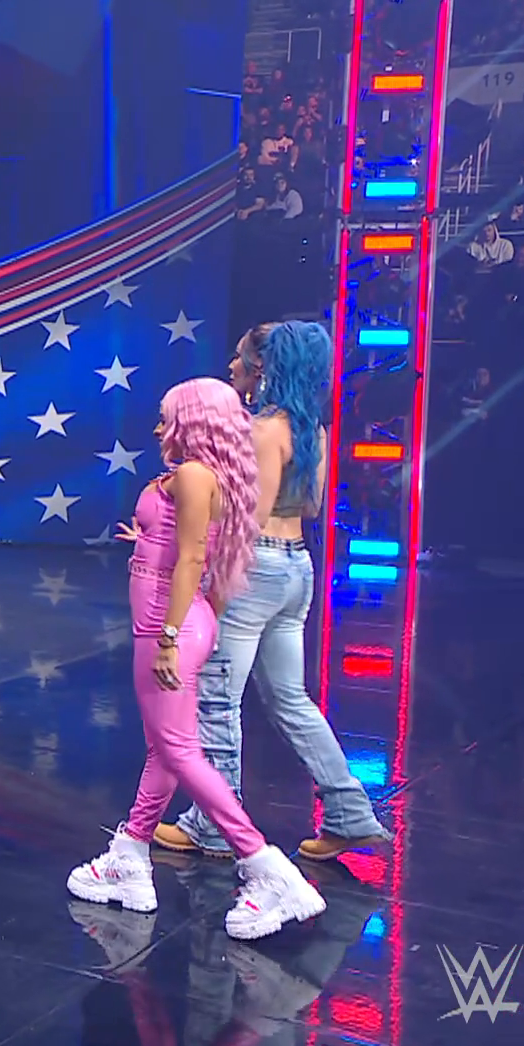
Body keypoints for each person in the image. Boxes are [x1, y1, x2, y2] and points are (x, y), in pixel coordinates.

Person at [67, 377, 324, 941]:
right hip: (184, 624)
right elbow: (203, 554)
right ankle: (131, 852)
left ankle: (266, 868)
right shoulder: (212, 476)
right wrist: (148, 540)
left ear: (194, 420)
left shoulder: (192, 474)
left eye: (168, 416)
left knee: (180, 752)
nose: (159, 426)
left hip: (167, 628)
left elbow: (191, 561)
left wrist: (169, 637)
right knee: (165, 749)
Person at [156, 322, 394, 862]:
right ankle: (350, 814)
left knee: (218, 698)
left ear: (262, 368)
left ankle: (213, 823)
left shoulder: (264, 430)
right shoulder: (314, 430)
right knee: (291, 699)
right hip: (296, 567)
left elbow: (250, 516)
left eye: (239, 357)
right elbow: (310, 506)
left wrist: (213, 587)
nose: (232, 365)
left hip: (255, 566)